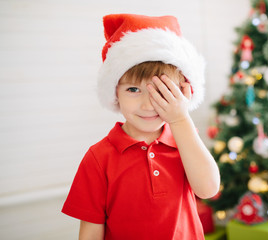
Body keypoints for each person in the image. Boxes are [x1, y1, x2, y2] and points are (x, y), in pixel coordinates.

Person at [62, 13, 220, 240]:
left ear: (183, 92)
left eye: (162, 91)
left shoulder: (184, 138)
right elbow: (91, 229)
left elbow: (208, 188)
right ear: (114, 91)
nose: (148, 104)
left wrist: (181, 118)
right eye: (133, 90)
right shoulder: (99, 157)